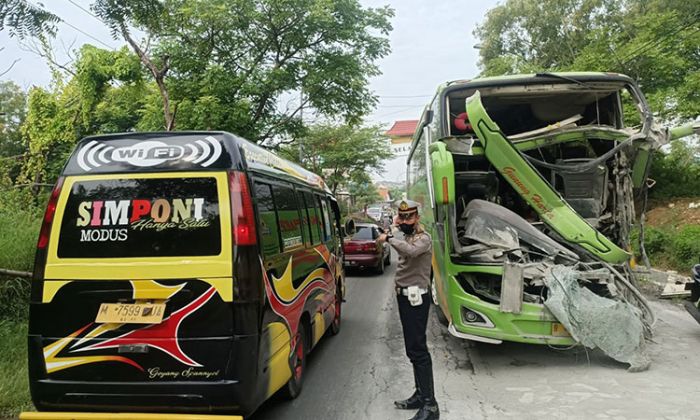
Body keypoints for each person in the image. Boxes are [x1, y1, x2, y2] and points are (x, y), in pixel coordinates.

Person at [377, 199, 439, 420]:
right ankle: (420, 395)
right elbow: (399, 240)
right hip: (405, 299)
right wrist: (394, 227)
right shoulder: (408, 235)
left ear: (417, 218)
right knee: (412, 350)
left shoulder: (423, 239)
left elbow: (410, 252)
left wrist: (391, 236)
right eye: (401, 216)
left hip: (416, 300)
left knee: (419, 350)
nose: (404, 220)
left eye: (408, 217)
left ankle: (430, 405)